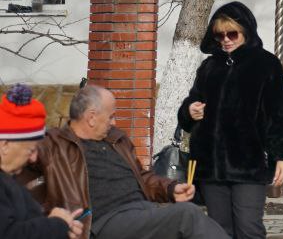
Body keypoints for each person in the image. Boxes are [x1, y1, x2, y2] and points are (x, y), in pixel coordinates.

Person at [25, 85, 226, 239]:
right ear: (92, 117)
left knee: (184, 220)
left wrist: (171, 189)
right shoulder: (54, 144)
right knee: (186, 215)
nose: (114, 122)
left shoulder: (116, 139)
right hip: (103, 221)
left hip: (143, 212)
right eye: (111, 116)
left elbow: (142, 178)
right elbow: (14, 152)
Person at [179, 2, 283, 239]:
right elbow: (192, 103)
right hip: (211, 166)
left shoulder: (265, 64)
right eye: (219, 35)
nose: (226, 40)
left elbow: (280, 114)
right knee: (218, 229)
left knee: (248, 227)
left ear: (246, 31)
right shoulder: (209, 66)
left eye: (232, 33)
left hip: (249, 164)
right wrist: (189, 111)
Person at [0, 83, 84, 239]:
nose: (34, 158)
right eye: (30, 150)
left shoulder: (10, 180)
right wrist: (57, 223)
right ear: (5, 145)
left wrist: (61, 227)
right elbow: (9, 234)